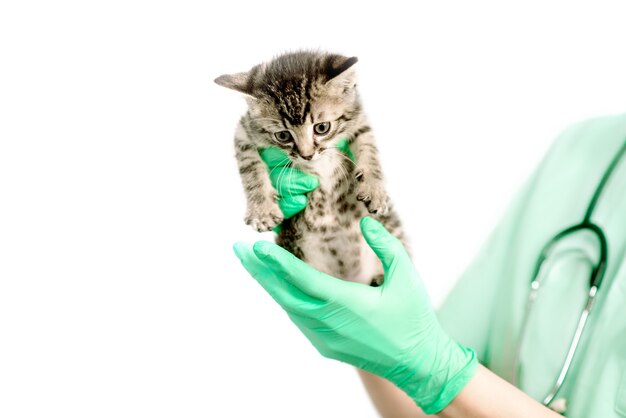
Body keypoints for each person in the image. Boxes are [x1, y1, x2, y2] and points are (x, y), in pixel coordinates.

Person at [233, 113, 626, 417]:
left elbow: (440, 376)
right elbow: (429, 404)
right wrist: (346, 267)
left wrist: (441, 373)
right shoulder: (587, 150)